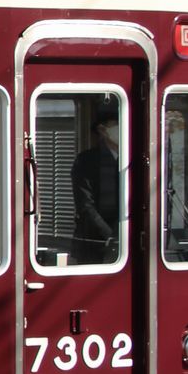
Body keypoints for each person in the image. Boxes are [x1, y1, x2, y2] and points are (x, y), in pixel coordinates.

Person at [70, 100, 120, 264]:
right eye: (116, 124)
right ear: (102, 130)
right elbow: (85, 206)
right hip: (94, 245)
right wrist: (111, 236)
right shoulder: (86, 160)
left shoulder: (132, 159)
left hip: (127, 242)